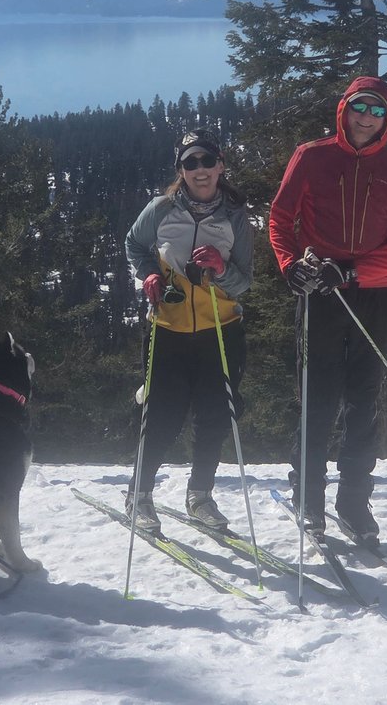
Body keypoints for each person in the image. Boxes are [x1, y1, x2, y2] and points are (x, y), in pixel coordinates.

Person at [268, 76, 387, 544]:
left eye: (376, 112)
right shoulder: (312, 156)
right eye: (359, 108)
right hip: (320, 293)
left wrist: (352, 272)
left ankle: (354, 502)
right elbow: (279, 218)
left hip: (372, 294)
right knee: (318, 398)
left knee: (363, 400)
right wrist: (291, 265)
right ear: (344, 110)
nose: (366, 118)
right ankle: (307, 497)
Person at [123, 128, 254, 533]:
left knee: (214, 417)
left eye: (206, 161)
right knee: (160, 416)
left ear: (220, 166)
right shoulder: (160, 210)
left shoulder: (235, 219)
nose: (200, 170)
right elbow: (134, 245)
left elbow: (244, 283)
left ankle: (200, 496)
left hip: (221, 330)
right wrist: (147, 276)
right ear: (180, 170)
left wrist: (219, 268)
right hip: (167, 329)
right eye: (190, 163)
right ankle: (139, 496)